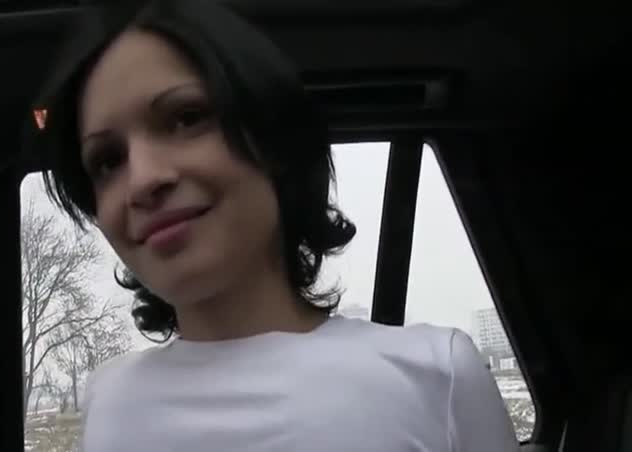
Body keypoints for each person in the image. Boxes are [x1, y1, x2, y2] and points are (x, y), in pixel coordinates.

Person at [33, 0, 520, 450]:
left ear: (274, 138)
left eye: (186, 118)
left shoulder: (438, 377)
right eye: (107, 161)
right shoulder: (108, 403)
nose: (142, 180)